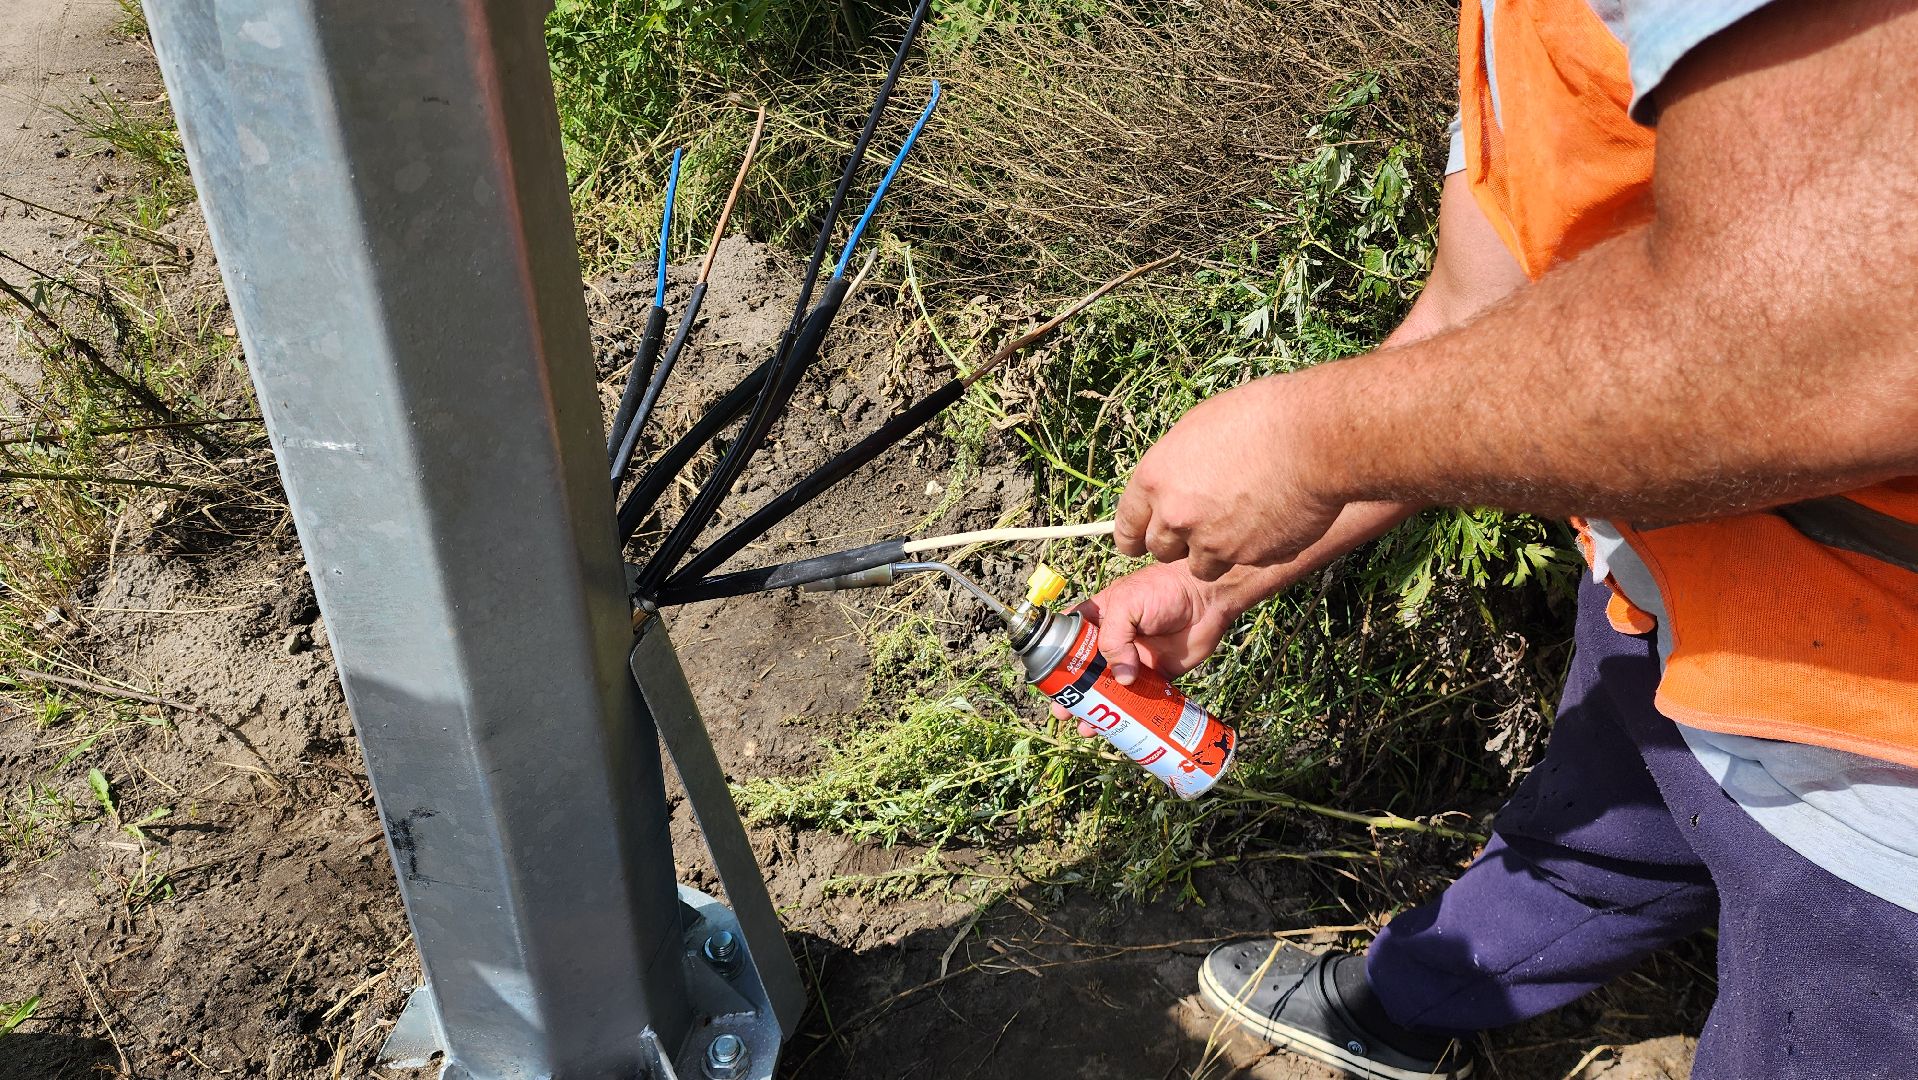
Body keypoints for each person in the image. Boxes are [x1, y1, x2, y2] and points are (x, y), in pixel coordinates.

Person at [1065, 1, 1918, 1076]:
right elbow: (1475, 314)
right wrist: (1220, 580)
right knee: (1595, 835)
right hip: (1664, 595)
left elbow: (1846, 324)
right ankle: (1402, 1004)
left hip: (1871, 755)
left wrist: (1308, 443)